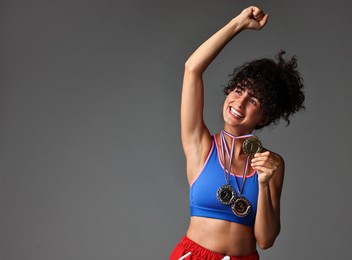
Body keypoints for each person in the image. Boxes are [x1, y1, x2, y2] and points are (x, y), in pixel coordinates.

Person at [170, 6, 305, 260]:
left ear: (265, 116)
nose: (239, 103)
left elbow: (265, 240)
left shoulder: (271, 164)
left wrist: (263, 184)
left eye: (253, 100)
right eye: (239, 90)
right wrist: (238, 24)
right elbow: (192, 69)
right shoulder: (200, 145)